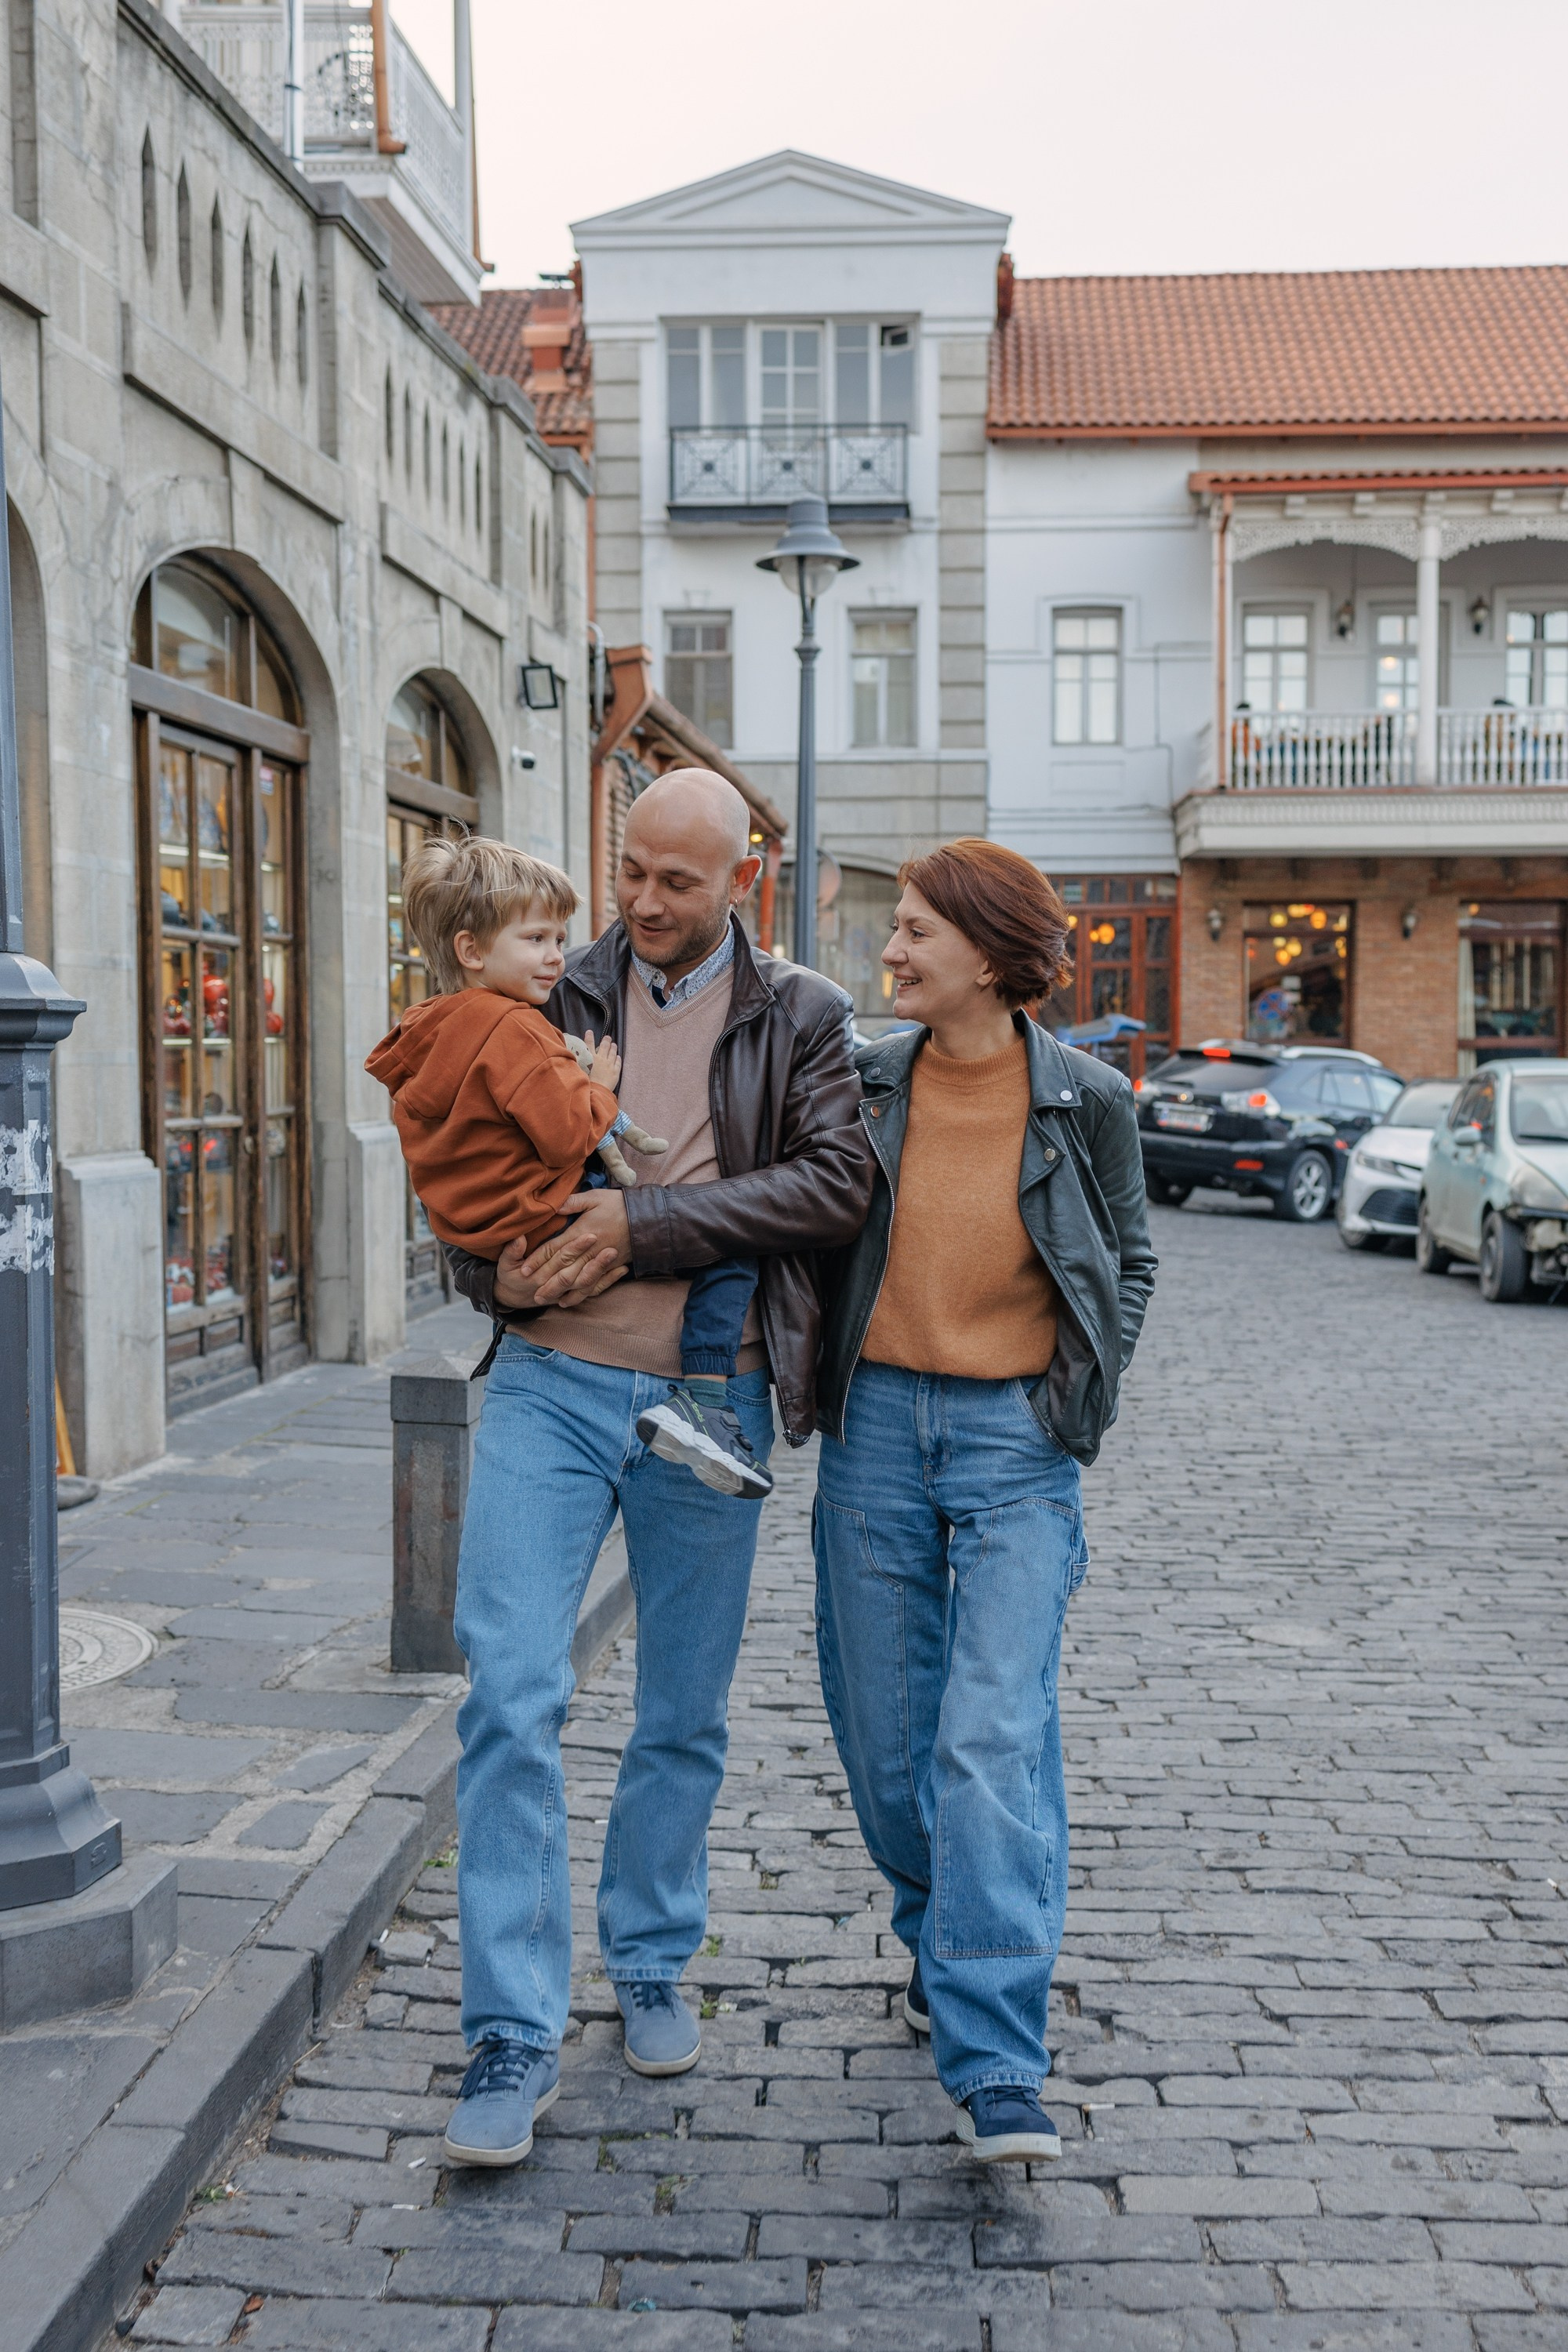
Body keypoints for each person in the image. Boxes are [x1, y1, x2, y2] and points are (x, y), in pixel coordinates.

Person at [436, 768, 873, 2167]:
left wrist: (646, 1228)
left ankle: (652, 1957)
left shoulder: (800, 1014)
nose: (642, 902)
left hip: (713, 1391)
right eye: (630, 870)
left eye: (677, 881)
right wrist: (488, 1267)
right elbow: (455, 1146)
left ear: (741, 878)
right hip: (552, 1386)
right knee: (509, 1693)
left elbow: (833, 1183)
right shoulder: (546, 988)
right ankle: (510, 2027)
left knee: (681, 1708)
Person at [813, 838, 1156, 2165]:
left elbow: (1128, 1261)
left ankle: (999, 2054)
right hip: (879, 1434)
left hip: (1017, 1446)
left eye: (912, 933)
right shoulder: (860, 1079)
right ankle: (940, 1941)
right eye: (893, 930)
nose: (890, 952)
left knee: (990, 1740)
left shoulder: (1086, 1102)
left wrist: (1081, 1401)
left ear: (993, 956)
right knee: (889, 1749)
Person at [365, 837, 770, 1498]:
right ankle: (703, 1399)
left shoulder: (424, 1029)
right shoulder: (518, 1028)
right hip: (551, 1215)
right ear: (472, 951)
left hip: (492, 1232)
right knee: (726, 1246)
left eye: (560, 937)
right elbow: (561, 1138)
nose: (557, 956)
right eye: (537, 939)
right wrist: (599, 1091)